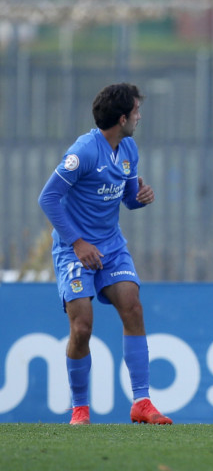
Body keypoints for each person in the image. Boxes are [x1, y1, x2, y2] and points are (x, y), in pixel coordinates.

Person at [37, 83, 172, 425]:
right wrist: (78, 243)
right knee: (82, 328)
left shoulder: (128, 148)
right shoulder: (83, 152)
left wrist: (138, 198)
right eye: (137, 112)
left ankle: (141, 401)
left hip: (111, 247)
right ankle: (80, 409)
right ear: (123, 117)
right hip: (74, 250)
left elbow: (126, 198)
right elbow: (48, 199)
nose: (140, 117)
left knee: (133, 306)